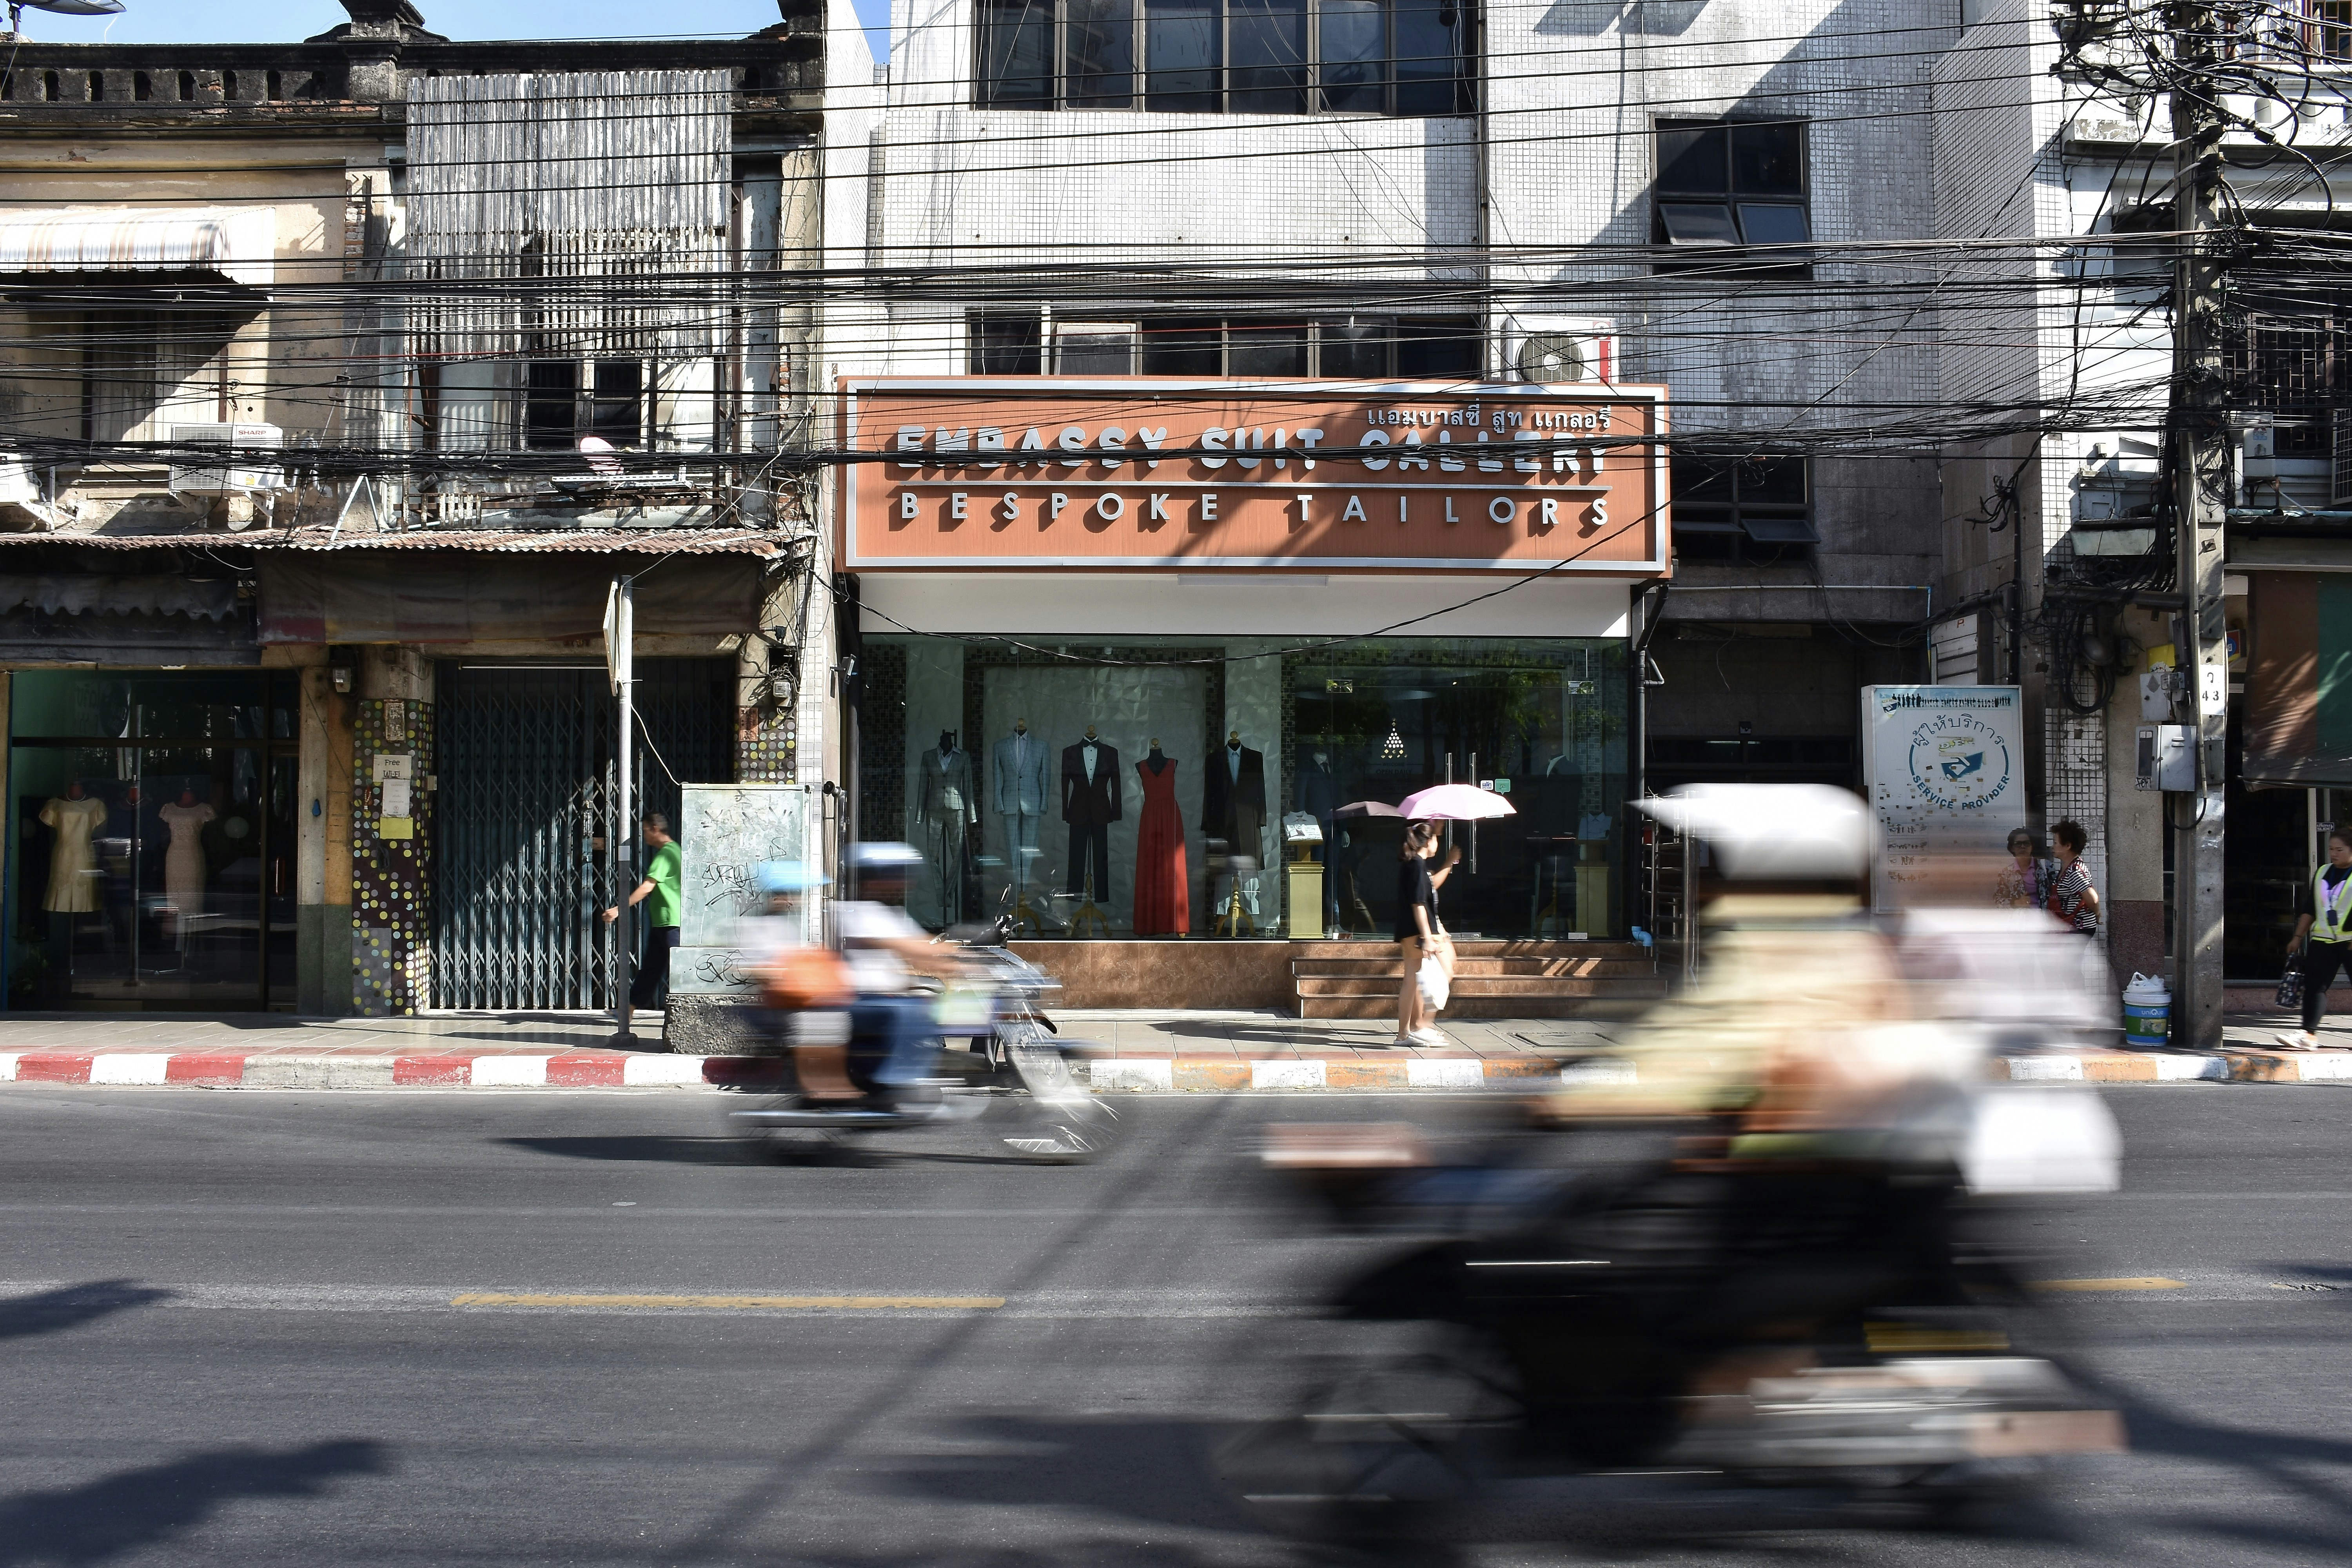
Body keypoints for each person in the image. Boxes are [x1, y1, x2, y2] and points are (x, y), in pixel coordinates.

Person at [837, 842, 967, 1099]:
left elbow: (922, 945)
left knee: (940, 1004)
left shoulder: (893, 913)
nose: (903, 882)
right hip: (867, 1001)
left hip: (887, 997)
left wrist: (957, 959)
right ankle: (900, 1076)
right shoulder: (858, 912)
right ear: (875, 879)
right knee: (914, 1012)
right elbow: (907, 947)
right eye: (894, 875)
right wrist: (949, 955)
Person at [601, 814, 682, 1014]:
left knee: (672, 970)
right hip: (665, 921)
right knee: (652, 968)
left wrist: (619, 909)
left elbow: (648, 886)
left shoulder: (666, 854)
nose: (644, 835)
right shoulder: (676, 850)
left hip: (670, 921)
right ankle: (628, 1009)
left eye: (645, 830)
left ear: (656, 829)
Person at [2282, 827, 2352, 1051]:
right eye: (2331, 849)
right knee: (2315, 987)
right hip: (2323, 941)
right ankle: (2308, 1035)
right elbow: (2310, 908)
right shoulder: (2323, 872)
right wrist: (2297, 937)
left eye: (2340, 849)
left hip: (2350, 940)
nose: (2334, 854)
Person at [1393, 820, 1460, 1048]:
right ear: (1429, 842)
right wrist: (1428, 937)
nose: (1438, 844)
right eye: (1436, 839)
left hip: (1411, 930)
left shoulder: (1413, 864)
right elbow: (1419, 905)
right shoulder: (1417, 866)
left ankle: (1409, 1030)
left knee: (1412, 981)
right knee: (1412, 981)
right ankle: (1407, 1032)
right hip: (1415, 931)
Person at [2048, 819, 2100, 937]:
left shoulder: (2075, 871)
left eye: (2055, 843)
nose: (2053, 847)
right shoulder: (2067, 867)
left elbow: (2093, 898)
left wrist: (2097, 913)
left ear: (2068, 846)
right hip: (2068, 927)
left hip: (2079, 928)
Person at [1993, 828, 2051, 911]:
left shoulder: (2045, 867)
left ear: (2032, 846)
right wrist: (2016, 903)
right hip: (2019, 922)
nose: (2023, 847)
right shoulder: (2006, 874)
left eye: (2027, 844)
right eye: (2018, 844)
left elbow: (2057, 894)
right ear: (2012, 848)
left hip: (2043, 920)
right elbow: (1998, 900)